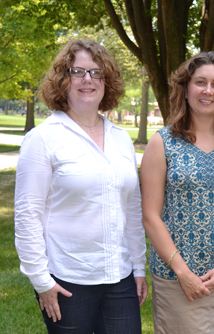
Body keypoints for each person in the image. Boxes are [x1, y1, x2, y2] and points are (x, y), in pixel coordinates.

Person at [14, 39, 147, 334]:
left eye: (96, 72)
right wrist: (41, 280)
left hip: (120, 277)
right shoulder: (44, 138)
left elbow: (133, 209)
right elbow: (27, 214)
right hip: (66, 280)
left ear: (106, 81)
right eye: (77, 72)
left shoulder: (120, 139)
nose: (88, 79)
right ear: (63, 80)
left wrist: (139, 268)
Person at [140, 51, 214, 334]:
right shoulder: (162, 143)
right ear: (186, 88)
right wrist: (183, 273)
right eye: (200, 82)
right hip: (176, 277)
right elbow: (151, 217)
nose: (208, 91)